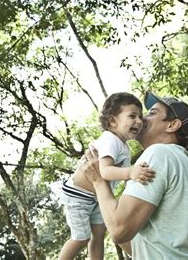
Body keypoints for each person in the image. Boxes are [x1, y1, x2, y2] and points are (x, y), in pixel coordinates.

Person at [80, 91, 188, 259]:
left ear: (172, 125)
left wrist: (98, 181)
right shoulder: (179, 160)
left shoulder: (159, 153)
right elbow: (137, 246)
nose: (141, 120)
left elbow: (119, 230)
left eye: (152, 114)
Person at [58, 92, 156, 260]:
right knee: (82, 238)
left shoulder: (123, 146)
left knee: (98, 234)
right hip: (78, 195)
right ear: (112, 121)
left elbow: (119, 177)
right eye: (132, 116)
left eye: (140, 116)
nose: (139, 121)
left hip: (95, 197)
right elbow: (105, 171)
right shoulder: (111, 140)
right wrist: (131, 172)